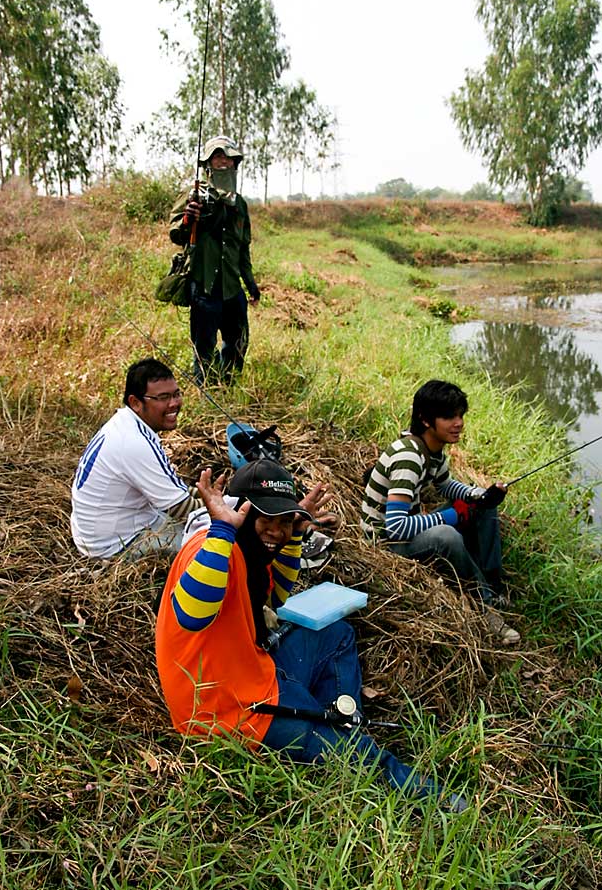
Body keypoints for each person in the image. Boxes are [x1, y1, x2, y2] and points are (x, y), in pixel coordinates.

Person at [156, 458, 466, 809]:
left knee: (336, 635)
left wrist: (295, 536)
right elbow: (192, 615)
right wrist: (223, 529)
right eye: (267, 519)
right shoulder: (211, 546)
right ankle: (432, 797)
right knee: (359, 755)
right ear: (240, 511)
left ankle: (340, 720)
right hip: (226, 708)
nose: (277, 530)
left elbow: (275, 597)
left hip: (251, 668)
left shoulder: (249, 549)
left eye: (284, 520)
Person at [361, 380, 520, 646]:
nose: (458, 423)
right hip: (384, 544)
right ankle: (484, 607)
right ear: (425, 419)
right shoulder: (408, 459)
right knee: (446, 535)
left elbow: (445, 484)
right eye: (448, 416)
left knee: (485, 507)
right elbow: (395, 528)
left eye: (460, 415)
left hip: (400, 531)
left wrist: (477, 495)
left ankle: (493, 586)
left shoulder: (432, 449)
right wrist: (449, 517)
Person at [70, 358, 200, 560]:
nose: (174, 403)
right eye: (163, 397)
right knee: (208, 544)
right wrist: (225, 507)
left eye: (176, 394)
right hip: (113, 545)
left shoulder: (127, 424)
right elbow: (180, 508)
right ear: (135, 402)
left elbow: (172, 487)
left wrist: (205, 493)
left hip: (101, 530)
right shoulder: (133, 442)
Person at [169, 135, 260, 385]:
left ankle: (228, 385)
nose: (223, 162)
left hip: (232, 288)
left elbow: (243, 249)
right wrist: (189, 218)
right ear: (207, 164)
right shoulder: (193, 197)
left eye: (228, 157)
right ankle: (205, 391)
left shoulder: (239, 204)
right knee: (203, 347)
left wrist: (250, 283)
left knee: (238, 342)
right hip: (204, 286)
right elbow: (175, 234)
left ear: (235, 164)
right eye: (217, 156)